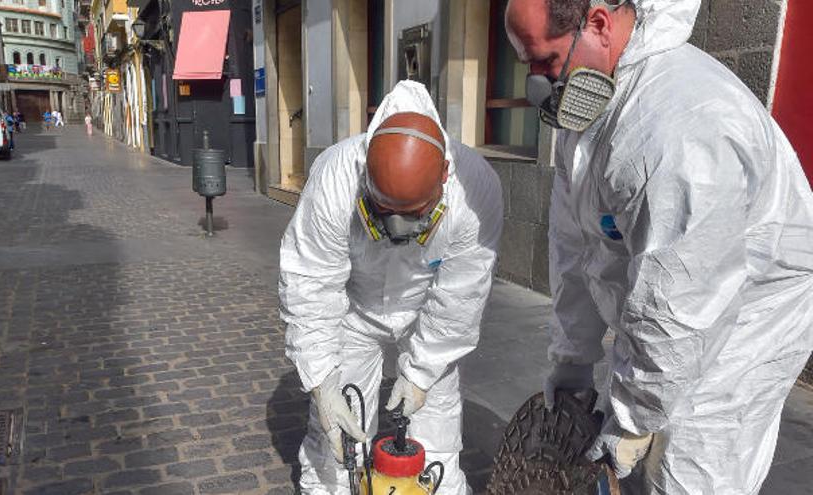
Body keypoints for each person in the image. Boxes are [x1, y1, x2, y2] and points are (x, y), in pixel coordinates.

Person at [505, 0, 813, 493]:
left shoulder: (679, 128)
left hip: (750, 310)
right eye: (530, 67)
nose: (539, 83)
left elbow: (680, 301)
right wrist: (572, 357)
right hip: (678, 296)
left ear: (599, 24)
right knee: (639, 433)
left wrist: (634, 416)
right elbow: (574, 248)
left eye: (547, 62)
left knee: (689, 464)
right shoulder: (589, 110)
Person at [279, 80, 503, 495]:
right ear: (366, 174)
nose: (398, 229)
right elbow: (310, 284)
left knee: (436, 447)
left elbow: (459, 298)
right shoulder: (336, 176)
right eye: (384, 212)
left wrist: (420, 376)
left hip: (426, 314)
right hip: (355, 311)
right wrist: (323, 385)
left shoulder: (476, 189)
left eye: (414, 214)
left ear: (445, 177)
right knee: (337, 443)